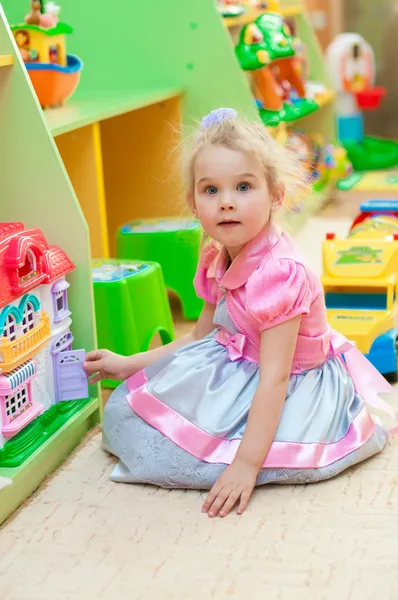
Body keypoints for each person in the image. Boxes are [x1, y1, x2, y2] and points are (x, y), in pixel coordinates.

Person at [84, 108, 394, 519]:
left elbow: (276, 377)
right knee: (126, 416)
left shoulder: (280, 274)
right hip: (235, 360)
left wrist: (246, 466)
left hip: (290, 382)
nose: (226, 203)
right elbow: (199, 337)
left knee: (193, 457)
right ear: (192, 203)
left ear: (276, 195)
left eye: (244, 187)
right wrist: (128, 365)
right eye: (210, 190)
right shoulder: (215, 253)